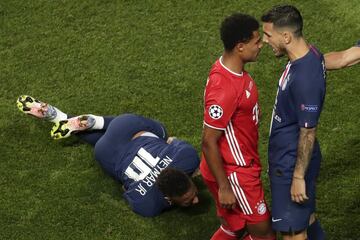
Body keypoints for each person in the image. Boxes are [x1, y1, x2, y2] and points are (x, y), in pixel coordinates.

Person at [16, 95, 200, 217]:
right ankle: (59, 117)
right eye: (188, 200)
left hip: (126, 127)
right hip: (106, 153)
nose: (196, 200)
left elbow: (171, 140)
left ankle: (95, 121)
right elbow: (124, 189)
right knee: (157, 134)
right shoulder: (148, 206)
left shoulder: (188, 157)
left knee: (161, 134)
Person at [201, 14, 275, 240]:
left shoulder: (232, 70)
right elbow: (208, 141)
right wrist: (224, 187)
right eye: (256, 42)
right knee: (264, 235)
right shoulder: (224, 90)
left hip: (241, 163)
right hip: (236, 172)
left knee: (234, 227)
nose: (261, 44)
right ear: (240, 47)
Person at [261, 5, 326, 240]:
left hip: (291, 161)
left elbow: (308, 132)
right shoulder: (311, 56)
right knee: (306, 219)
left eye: (268, 35)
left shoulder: (305, 79)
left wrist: (297, 177)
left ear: (286, 36)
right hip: (299, 156)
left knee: (292, 233)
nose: (265, 40)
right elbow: (339, 59)